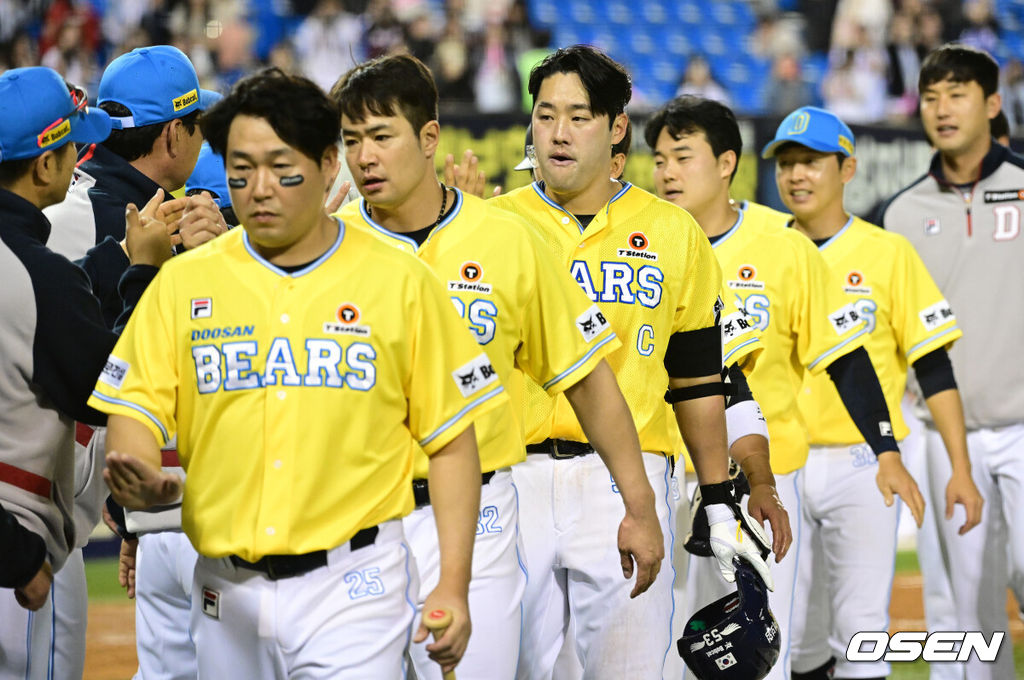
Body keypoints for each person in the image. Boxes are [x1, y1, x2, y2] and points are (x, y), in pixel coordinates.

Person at [90, 67, 507, 680]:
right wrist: (142, 476)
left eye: (281, 168)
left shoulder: (400, 280)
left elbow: (451, 442)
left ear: (327, 162)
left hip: (355, 587)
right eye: (240, 169)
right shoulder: (184, 284)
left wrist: (453, 581)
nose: (259, 189)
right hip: (224, 594)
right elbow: (135, 411)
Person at [328, 53, 663, 680]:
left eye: (380, 137)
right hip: (356, 520)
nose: (364, 157)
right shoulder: (329, 246)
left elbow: (588, 380)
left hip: (478, 516)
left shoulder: (508, 239)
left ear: (430, 138)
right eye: (351, 140)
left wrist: (638, 503)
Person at [489, 45, 772, 679]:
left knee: (629, 671)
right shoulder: (492, 226)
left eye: (579, 117)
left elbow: (697, 377)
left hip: (627, 481)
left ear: (617, 127)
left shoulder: (675, 232)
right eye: (545, 115)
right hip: (513, 477)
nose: (558, 133)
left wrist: (720, 497)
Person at [645, 95, 925, 680]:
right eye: (659, 158)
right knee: (665, 657)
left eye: (681, 156)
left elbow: (845, 359)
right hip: (663, 478)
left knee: (757, 655)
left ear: (726, 163)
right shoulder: (640, 249)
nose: (666, 171)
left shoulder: (784, 246)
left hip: (759, 483)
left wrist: (887, 450)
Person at [763, 105, 982, 680]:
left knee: (859, 631)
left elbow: (932, 368)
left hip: (863, 462)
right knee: (787, 637)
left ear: (848, 168)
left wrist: (959, 467)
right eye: (786, 163)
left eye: (810, 161)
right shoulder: (762, 250)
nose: (796, 175)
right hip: (776, 465)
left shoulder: (888, 253)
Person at [40, 45, 225, 680]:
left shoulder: (80, 199)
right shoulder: (127, 219)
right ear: (175, 132)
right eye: (198, 124)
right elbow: (108, 374)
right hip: (40, 499)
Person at [0, 65, 170, 679]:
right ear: (43, 164)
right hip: (12, 558)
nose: (80, 159)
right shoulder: (34, 274)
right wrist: (143, 273)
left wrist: (117, 257)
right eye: (72, 144)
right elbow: (112, 392)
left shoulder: (37, 270)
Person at [881, 43, 1024, 679]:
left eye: (957, 93)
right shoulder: (902, 213)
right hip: (944, 437)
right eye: (931, 96)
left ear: (992, 105)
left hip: (1023, 428)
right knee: (962, 612)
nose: (942, 108)